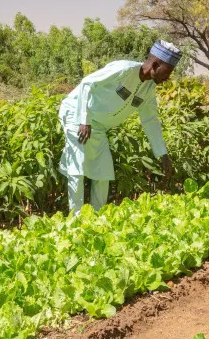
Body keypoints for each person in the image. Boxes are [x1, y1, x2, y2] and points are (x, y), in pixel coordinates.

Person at [58, 40, 181, 215]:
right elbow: (87, 83)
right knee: (77, 166)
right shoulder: (124, 69)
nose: (167, 78)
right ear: (155, 64)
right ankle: (75, 218)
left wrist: (163, 154)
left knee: (103, 170)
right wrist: (84, 120)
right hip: (76, 114)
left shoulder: (148, 89)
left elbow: (150, 121)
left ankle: (96, 216)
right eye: (167, 72)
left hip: (98, 126)